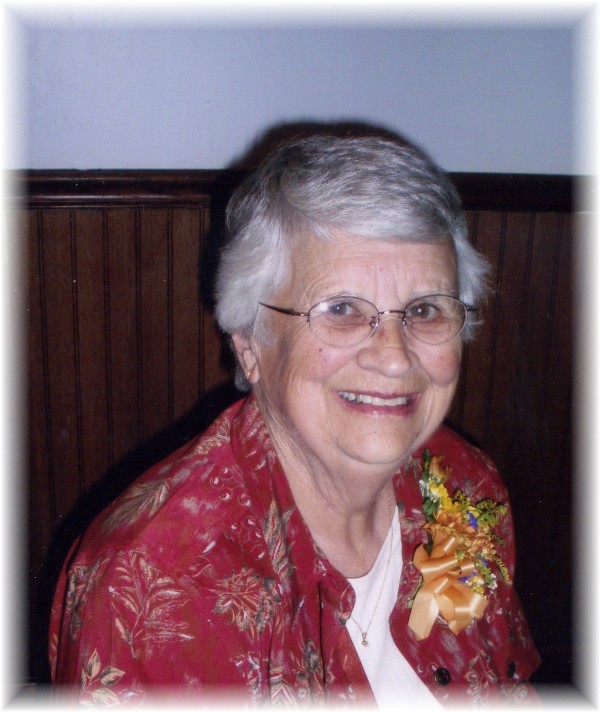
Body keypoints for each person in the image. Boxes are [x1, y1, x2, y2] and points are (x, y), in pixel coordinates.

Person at [49, 131, 540, 707]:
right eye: (341, 309)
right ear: (249, 343)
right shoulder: (148, 588)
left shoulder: (465, 485)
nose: (394, 357)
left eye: (425, 309)